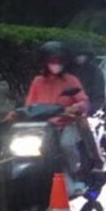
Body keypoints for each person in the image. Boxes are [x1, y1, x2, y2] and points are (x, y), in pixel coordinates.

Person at [8, 42, 90, 195]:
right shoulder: (38, 81)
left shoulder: (70, 80)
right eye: (52, 61)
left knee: (66, 145)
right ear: (44, 62)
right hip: (43, 127)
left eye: (59, 61)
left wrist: (76, 107)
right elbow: (30, 105)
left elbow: (84, 101)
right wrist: (17, 113)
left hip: (66, 123)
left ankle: (76, 175)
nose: (55, 64)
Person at [67, 45, 106, 169]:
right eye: (77, 55)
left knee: (87, 129)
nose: (80, 58)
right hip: (66, 112)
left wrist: (89, 110)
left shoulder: (95, 72)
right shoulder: (68, 71)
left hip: (89, 111)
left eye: (82, 55)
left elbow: (99, 96)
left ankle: (97, 160)